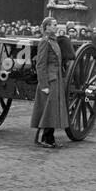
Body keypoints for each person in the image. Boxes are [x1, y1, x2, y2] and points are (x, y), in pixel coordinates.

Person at [31, 17, 67, 148]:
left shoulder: (53, 41)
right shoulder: (45, 42)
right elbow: (40, 64)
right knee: (47, 110)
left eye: (56, 25)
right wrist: (44, 85)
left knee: (52, 110)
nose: (56, 27)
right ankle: (44, 138)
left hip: (55, 79)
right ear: (47, 27)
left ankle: (49, 138)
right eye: (54, 25)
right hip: (49, 80)